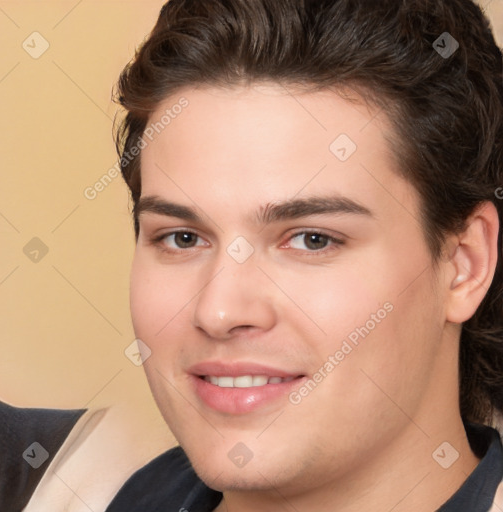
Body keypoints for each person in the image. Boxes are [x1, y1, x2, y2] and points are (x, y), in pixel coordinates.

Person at [103, 0, 503, 510]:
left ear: (464, 265)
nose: (219, 311)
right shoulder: (61, 486)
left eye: (312, 239)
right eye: (182, 238)